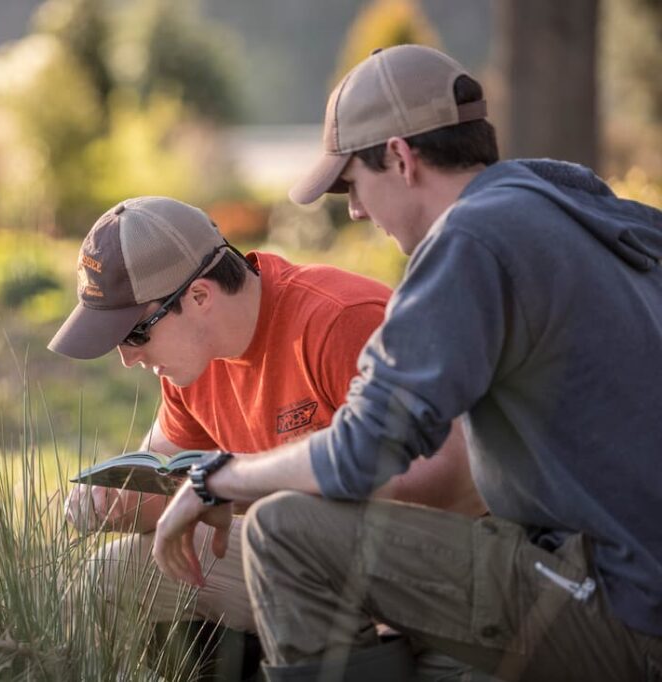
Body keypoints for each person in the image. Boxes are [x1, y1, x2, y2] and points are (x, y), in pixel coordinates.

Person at [151, 44, 662, 681]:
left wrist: (215, 479)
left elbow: (363, 452)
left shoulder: (472, 239)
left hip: (620, 605)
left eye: (352, 185)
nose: (357, 211)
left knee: (284, 532)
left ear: (399, 157)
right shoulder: (577, 209)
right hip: (620, 572)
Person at [48, 195, 485, 676]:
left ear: (199, 296)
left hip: (436, 567)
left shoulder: (341, 318)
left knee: (279, 527)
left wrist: (246, 486)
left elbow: (447, 473)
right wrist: (115, 501)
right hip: (299, 564)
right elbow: (168, 473)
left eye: (135, 334)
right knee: (109, 577)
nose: (128, 358)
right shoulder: (187, 369)